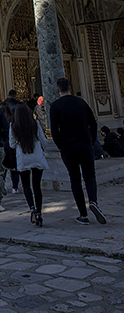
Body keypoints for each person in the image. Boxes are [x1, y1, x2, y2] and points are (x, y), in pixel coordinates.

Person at [50, 77, 106, 225]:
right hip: (85, 145)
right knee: (89, 176)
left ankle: (83, 214)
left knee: (75, 179)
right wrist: (91, 141)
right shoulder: (81, 102)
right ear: (70, 87)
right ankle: (93, 201)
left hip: (68, 147)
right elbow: (93, 123)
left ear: (57, 89)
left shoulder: (55, 106)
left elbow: (54, 131)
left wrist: (60, 146)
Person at [9, 102, 49, 227]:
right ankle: (39, 212)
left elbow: (12, 144)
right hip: (36, 157)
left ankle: (31, 208)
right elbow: (44, 141)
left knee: (26, 186)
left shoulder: (14, 126)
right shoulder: (35, 124)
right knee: (36, 186)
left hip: (23, 158)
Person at [1, 101, 20, 194]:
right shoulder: (13, 120)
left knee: (3, 167)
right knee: (14, 168)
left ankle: (2, 184)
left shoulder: (0, 120)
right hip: (12, 147)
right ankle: (15, 187)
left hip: (3, 146)